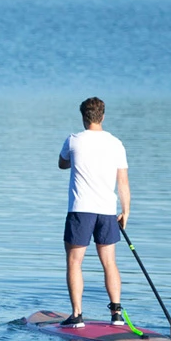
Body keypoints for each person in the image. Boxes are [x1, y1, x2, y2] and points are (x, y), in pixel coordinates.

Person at [57, 97, 130, 328]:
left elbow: (62, 164)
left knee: (74, 262)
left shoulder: (73, 140)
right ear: (103, 116)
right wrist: (126, 211)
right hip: (107, 211)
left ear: (83, 117)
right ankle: (116, 314)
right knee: (109, 262)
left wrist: (78, 159)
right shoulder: (116, 144)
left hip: (81, 211)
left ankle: (77, 315)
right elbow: (123, 182)